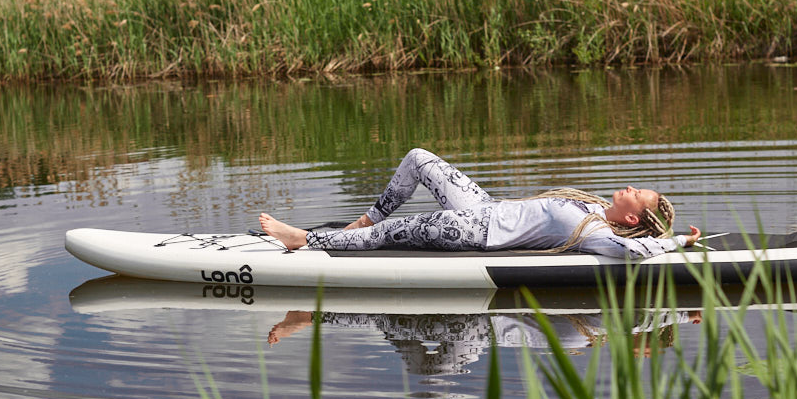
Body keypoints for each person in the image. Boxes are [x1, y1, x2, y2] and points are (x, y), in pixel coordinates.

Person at [259, 147, 700, 257]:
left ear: (633, 215)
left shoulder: (597, 233)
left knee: (391, 234)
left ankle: (304, 240)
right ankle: (361, 220)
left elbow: (632, 250)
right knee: (418, 158)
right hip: (484, 207)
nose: (628, 186)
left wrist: (675, 241)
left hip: (477, 233)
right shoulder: (591, 206)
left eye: (636, 193)